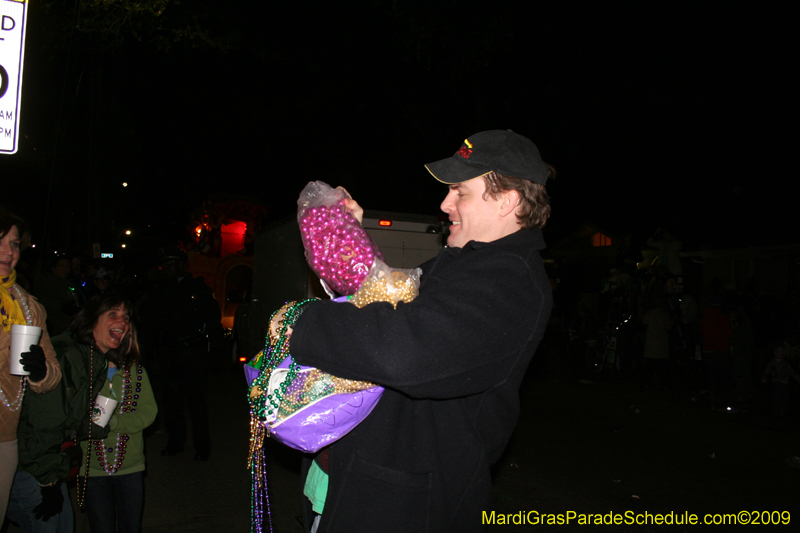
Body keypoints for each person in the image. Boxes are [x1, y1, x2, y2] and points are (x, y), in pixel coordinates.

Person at [285, 130, 554, 532]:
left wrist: (301, 323)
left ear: (507, 201)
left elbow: (403, 352)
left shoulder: (511, 281)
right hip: (361, 485)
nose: (445, 203)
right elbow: (381, 298)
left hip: (406, 507)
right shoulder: (460, 263)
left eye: (460, 191)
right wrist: (350, 238)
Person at [8, 293, 133, 532]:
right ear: (92, 319)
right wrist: (49, 482)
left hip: (46, 462)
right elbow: (42, 422)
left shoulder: (94, 359)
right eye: (113, 314)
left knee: (64, 525)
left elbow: (73, 417)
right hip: (30, 465)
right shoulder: (70, 355)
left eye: (126, 317)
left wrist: (101, 423)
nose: (122, 322)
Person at [0, 210, 62, 521]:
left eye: (14, 244)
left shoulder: (29, 306)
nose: (8, 252)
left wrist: (40, 370)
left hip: (4, 438)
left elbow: (53, 374)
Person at [138, 248, 222, 460]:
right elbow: (148, 325)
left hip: (192, 352)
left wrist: (214, 354)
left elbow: (213, 322)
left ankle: (202, 447)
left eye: (172, 263)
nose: (167, 268)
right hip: (168, 352)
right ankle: (175, 442)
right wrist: (147, 356)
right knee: (171, 402)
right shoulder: (158, 291)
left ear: (182, 265)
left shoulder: (198, 289)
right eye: (164, 264)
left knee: (196, 402)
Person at [80, 322, 157, 533]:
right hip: (92, 468)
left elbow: (149, 412)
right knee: (100, 526)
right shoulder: (83, 371)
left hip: (130, 466)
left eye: (125, 334)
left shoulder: (136, 373)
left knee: (130, 525)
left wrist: (115, 423)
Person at [34, 256, 81, 336]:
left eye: (67, 266)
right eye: (61, 266)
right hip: (53, 325)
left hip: (67, 324)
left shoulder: (68, 281)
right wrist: (62, 306)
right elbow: (42, 301)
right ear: (53, 268)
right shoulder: (46, 281)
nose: (65, 269)